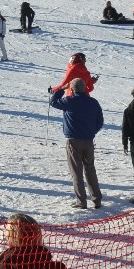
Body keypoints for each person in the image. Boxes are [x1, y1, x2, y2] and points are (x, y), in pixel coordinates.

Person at [50, 78, 104, 209]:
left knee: (76, 170)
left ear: (72, 89)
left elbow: (53, 102)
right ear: (85, 88)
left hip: (74, 140)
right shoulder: (93, 102)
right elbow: (100, 121)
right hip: (89, 140)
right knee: (90, 168)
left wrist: (62, 89)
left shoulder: (69, 101)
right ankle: (96, 199)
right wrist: (92, 132)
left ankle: (81, 201)